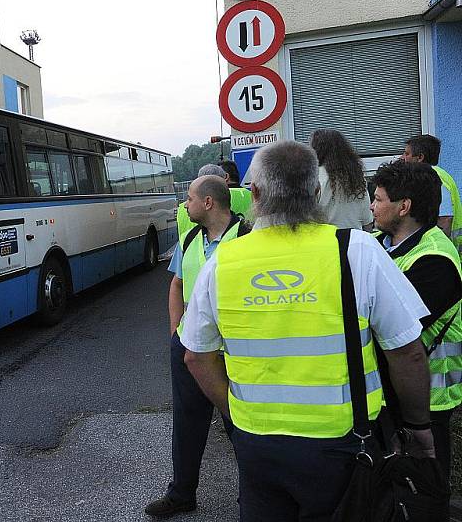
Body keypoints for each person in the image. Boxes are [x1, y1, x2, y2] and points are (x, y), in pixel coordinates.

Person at [182, 140, 434, 521]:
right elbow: (408, 351)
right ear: (317, 192)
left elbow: (196, 356)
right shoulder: (356, 250)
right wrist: (418, 426)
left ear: (255, 193)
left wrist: (234, 416)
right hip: (345, 443)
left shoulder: (223, 262)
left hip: (258, 443)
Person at [145, 175, 249, 518]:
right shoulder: (190, 238)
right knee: (187, 422)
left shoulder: (246, 237)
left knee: (240, 423)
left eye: (189, 198)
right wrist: (176, 332)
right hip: (191, 349)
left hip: (232, 351)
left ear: (208, 202)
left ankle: (253, 494)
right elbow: (177, 284)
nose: (184, 205)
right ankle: (181, 493)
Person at [370, 159, 462, 482]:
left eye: (379, 199)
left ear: (403, 207)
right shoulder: (381, 245)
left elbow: (391, 327)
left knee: (425, 490)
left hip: (428, 401)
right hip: (394, 395)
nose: (372, 207)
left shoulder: (435, 260)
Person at [403, 134, 462, 251]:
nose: (402, 157)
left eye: (406, 153)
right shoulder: (429, 176)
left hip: (446, 251)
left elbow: (445, 220)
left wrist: (435, 251)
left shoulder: (434, 178)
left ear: (420, 157)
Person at [309, 128, 373, 230]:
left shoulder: (314, 177)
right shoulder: (356, 177)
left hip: (327, 241)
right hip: (354, 239)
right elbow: (367, 222)